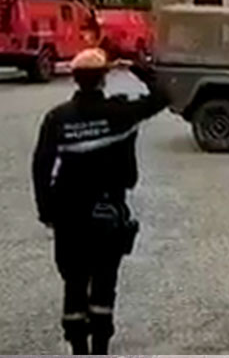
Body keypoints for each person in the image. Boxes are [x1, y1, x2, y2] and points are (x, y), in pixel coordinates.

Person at [32, 48, 170, 355]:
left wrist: (46, 210)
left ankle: (78, 347)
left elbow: (41, 166)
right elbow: (163, 97)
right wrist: (139, 67)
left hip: (69, 213)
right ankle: (100, 348)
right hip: (108, 210)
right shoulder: (120, 113)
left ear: (76, 80)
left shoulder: (57, 118)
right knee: (105, 281)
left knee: (74, 282)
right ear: (103, 79)